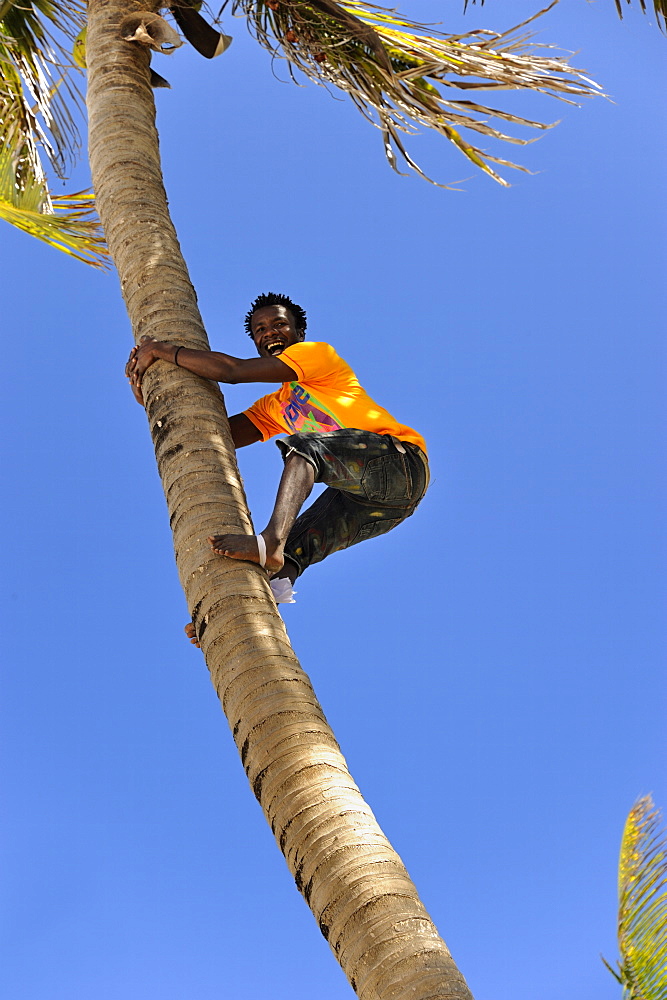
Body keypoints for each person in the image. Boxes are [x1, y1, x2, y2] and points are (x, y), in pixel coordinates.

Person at [126, 292, 429, 618]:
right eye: (259, 330)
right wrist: (155, 395)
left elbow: (233, 371)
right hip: (384, 505)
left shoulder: (318, 356)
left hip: (400, 462)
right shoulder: (275, 407)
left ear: (299, 335)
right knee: (298, 547)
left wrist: (163, 350)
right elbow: (212, 434)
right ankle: (249, 609)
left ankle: (270, 541)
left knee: (307, 448)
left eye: (279, 324)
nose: (269, 332)